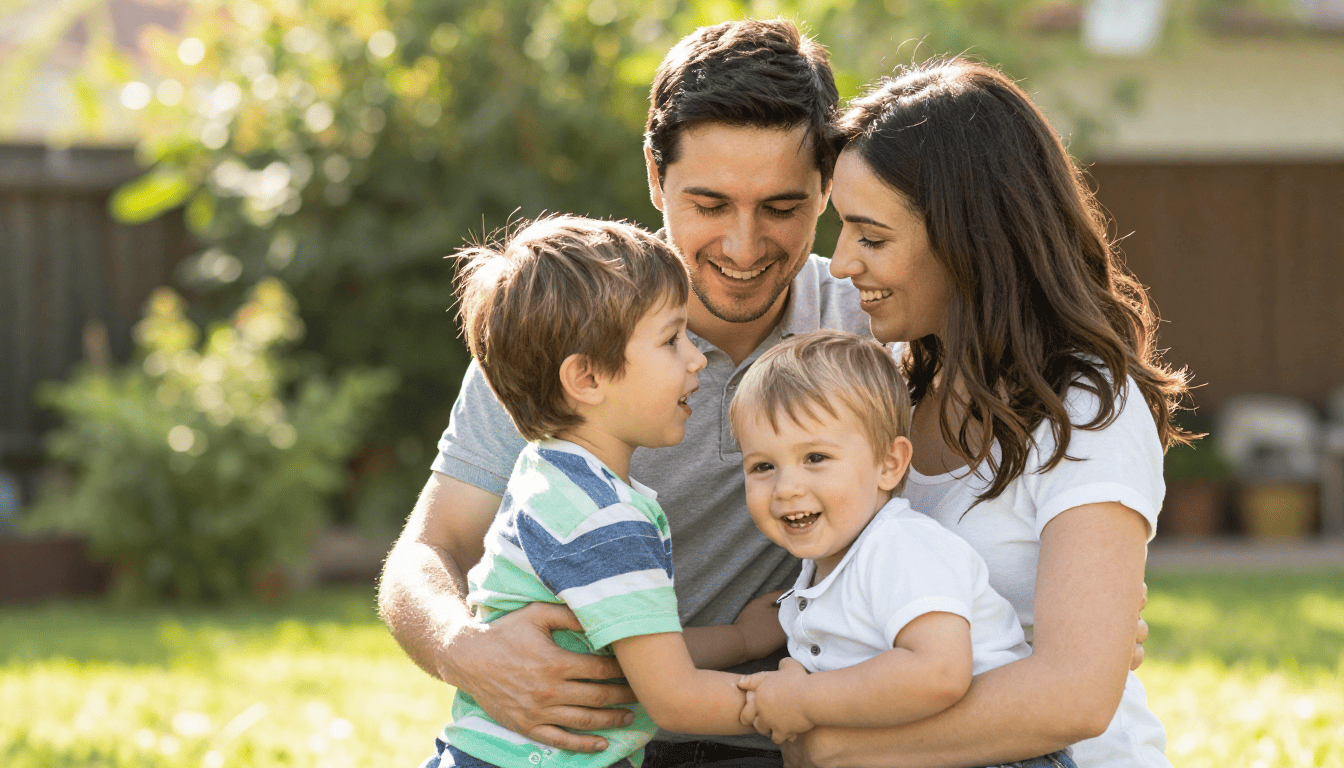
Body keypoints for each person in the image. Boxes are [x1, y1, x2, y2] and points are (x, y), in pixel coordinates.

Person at [378, 19, 870, 767]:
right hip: (590, 742)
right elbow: (431, 546)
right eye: (709, 205)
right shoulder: (562, 337)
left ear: (828, 186)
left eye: (780, 207)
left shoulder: (870, 323)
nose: (743, 246)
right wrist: (464, 649)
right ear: (654, 175)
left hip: (778, 737)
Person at [782, 59, 1192, 768]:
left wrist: (836, 747)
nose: (841, 263)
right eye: (842, 229)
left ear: (969, 240)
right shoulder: (888, 389)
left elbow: (1075, 697)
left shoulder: (1086, 408)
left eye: (871, 237)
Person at [424, 215, 787, 768]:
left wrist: (740, 639)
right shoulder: (603, 519)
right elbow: (674, 697)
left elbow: (638, 655)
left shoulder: (550, 476)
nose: (696, 357)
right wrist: (805, 704)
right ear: (587, 378)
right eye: (672, 339)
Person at [726, 331, 1076, 768]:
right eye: (763, 466)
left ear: (889, 464)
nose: (786, 488)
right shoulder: (829, 567)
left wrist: (806, 698)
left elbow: (938, 672)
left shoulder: (900, 547)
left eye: (815, 458)